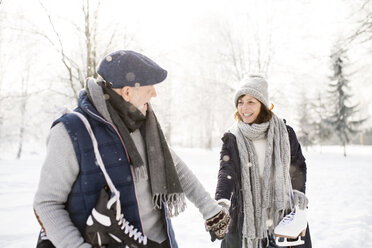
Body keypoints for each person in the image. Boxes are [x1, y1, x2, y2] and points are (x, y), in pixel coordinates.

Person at [33, 50, 230, 248]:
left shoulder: (143, 122)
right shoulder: (72, 131)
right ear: (127, 92)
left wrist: (210, 209)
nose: (154, 93)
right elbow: (47, 204)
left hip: (160, 241)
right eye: (149, 88)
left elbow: (175, 167)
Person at [214, 75, 312, 248]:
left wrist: (298, 192)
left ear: (263, 104)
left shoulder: (284, 133)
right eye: (240, 102)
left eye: (251, 102)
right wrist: (222, 202)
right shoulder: (232, 137)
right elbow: (226, 172)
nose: (244, 108)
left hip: (282, 216)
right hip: (246, 216)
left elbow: (298, 165)